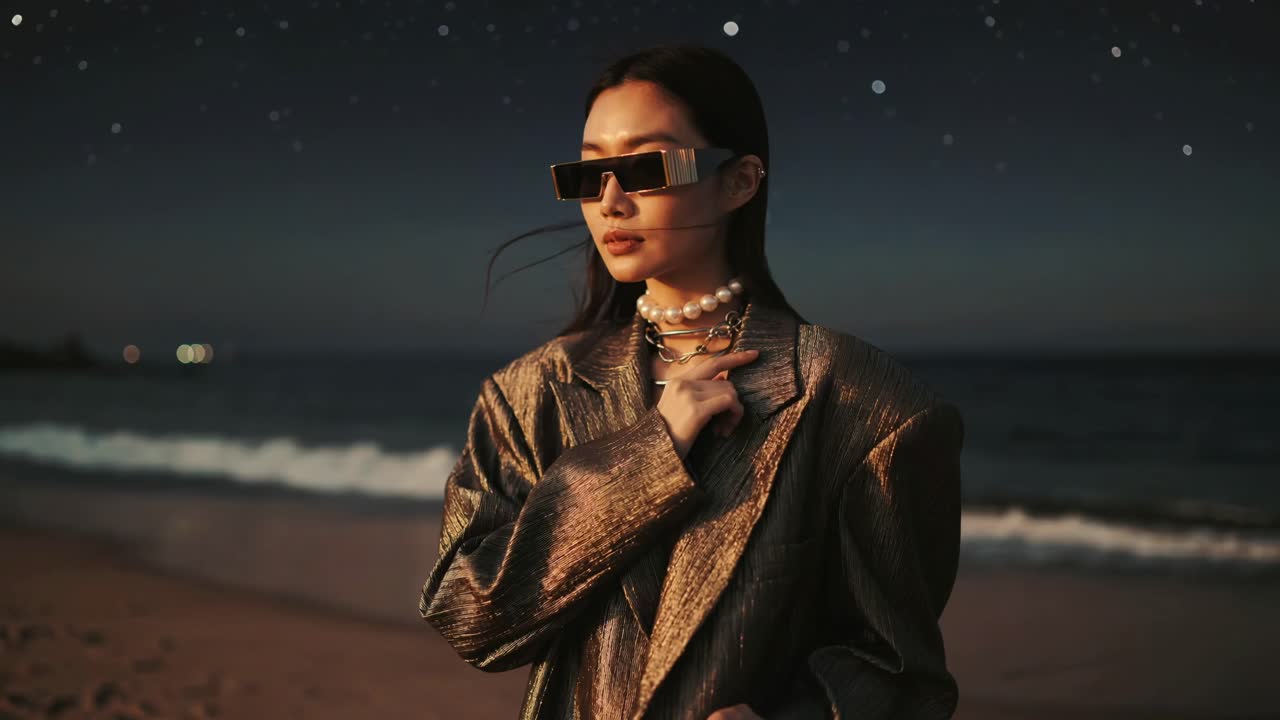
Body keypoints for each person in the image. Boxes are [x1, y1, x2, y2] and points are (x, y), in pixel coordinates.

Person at [418, 44, 965, 720]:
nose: (610, 201)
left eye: (645, 168)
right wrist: (646, 459)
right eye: (588, 174)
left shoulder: (864, 402)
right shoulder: (532, 392)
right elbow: (469, 615)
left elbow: (901, 673)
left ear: (739, 181)